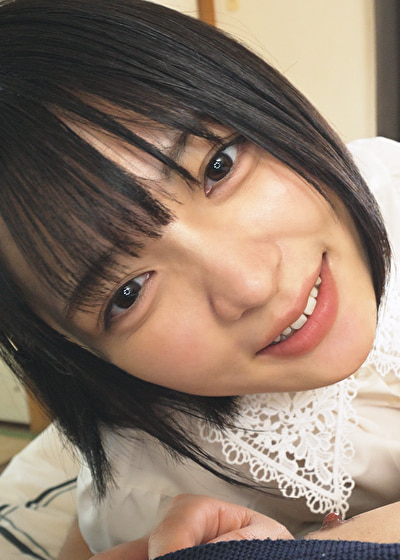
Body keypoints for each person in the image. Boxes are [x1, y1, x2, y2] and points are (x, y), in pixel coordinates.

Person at [0, 0, 400, 557]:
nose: (251, 285)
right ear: (76, 350)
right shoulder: (151, 497)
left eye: (219, 166)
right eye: (128, 293)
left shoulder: (390, 184)